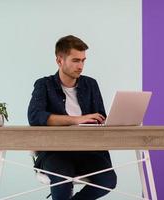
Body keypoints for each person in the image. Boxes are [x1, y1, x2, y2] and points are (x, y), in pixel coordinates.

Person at [27, 35, 117, 200]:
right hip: (55, 152)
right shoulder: (44, 85)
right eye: (76, 60)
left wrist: (102, 120)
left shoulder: (91, 84)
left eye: (83, 60)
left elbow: (100, 116)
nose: (81, 66)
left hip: (87, 151)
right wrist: (77, 119)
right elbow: (35, 116)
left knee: (108, 180)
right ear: (59, 61)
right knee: (62, 181)